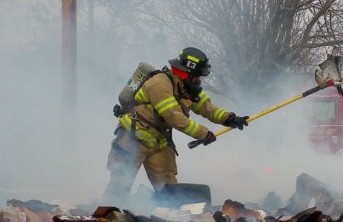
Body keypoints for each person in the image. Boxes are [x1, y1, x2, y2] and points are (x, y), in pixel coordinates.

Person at [102, 47, 249, 204]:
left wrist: (230, 119)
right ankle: (103, 221)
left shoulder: (185, 87)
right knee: (120, 185)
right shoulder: (159, 85)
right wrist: (203, 133)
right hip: (132, 139)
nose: (199, 80)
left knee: (169, 190)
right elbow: (174, 117)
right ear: (187, 73)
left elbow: (206, 107)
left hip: (159, 142)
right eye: (197, 75)